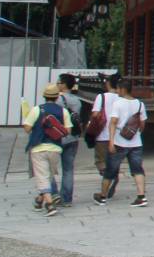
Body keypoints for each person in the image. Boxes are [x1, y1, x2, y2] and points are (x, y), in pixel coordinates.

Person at [95, 77, 148, 207]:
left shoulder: (118, 104)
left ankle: (102, 196)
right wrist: (136, 133)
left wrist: (111, 141)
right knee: (137, 169)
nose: (117, 91)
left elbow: (113, 123)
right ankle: (141, 196)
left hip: (119, 141)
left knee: (110, 170)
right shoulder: (140, 104)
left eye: (118, 88)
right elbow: (142, 124)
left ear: (123, 89)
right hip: (136, 142)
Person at [22, 83, 72, 217]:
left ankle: (49, 205)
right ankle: (39, 201)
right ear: (57, 97)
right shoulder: (63, 111)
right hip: (56, 148)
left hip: (38, 148)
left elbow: (27, 128)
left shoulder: (36, 109)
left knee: (42, 176)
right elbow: (67, 131)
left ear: (44, 96)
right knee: (47, 176)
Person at [90, 73, 122, 199]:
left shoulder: (102, 97)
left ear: (108, 83)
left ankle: (108, 178)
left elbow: (96, 114)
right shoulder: (122, 98)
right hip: (118, 136)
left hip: (103, 134)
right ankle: (113, 177)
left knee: (101, 161)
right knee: (114, 161)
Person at [54, 72, 83, 207]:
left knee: (50, 169)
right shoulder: (77, 101)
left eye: (58, 82)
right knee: (68, 169)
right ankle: (66, 199)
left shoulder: (56, 100)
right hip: (72, 137)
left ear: (64, 84)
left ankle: (53, 194)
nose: (57, 84)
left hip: (58, 136)